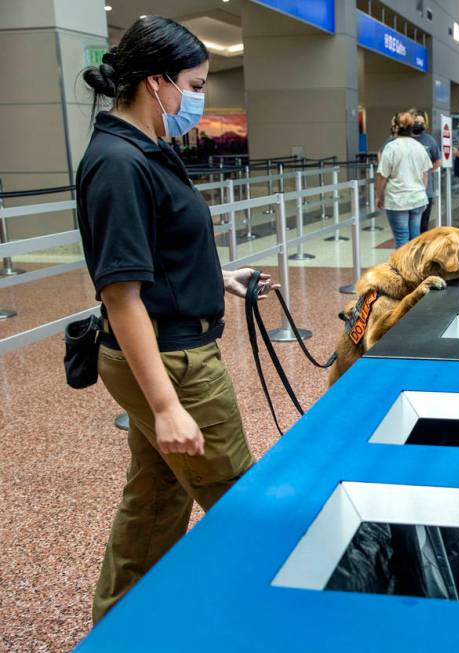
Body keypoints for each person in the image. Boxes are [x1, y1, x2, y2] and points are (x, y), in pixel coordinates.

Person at [77, 16, 277, 623]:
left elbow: (159, 252)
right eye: (195, 83)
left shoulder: (148, 148)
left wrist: (217, 279)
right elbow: (122, 294)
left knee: (156, 500)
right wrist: (166, 406)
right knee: (241, 501)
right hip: (172, 361)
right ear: (156, 82)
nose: (198, 97)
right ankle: (282, 620)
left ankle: (115, 622)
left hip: (169, 346)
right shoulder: (118, 162)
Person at [376, 112, 432, 247]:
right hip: (418, 198)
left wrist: (378, 195)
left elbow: (383, 176)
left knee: (402, 238)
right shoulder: (420, 147)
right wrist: (421, 191)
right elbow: (425, 174)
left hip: (398, 199)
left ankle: (404, 267)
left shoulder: (391, 147)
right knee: (415, 238)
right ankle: (415, 266)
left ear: (396, 128)